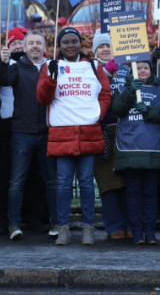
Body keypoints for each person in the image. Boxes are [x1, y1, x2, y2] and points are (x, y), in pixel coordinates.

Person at [36, 27, 112, 246]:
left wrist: (99, 113)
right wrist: (50, 78)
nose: (70, 45)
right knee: (63, 183)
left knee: (87, 182)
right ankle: (63, 227)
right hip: (62, 133)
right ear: (59, 46)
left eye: (74, 41)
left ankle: (88, 227)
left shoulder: (93, 66)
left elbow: (105, 93)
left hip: (88, 132)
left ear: (81, 44)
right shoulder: (50, 66)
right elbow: (42, 97)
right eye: (66, 42)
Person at [0, 30, 58, 241]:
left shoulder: (51, 66)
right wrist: (2, 62)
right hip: (22, 132)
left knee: (51, 181)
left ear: (45, 47)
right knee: (16, 181)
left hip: (47, 132)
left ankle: (57, 222)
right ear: (25, 48)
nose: (35, 46)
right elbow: (3, 79)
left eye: (39, 43)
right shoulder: (17, 67)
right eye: (31, 43)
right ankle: (13, 223)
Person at [111, 60, 160, 244]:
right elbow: (117, 108)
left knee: (150, 193)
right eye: (139, 68)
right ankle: (137, 232)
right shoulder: (123, 90)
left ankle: (150, 231)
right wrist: (131, 90)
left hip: (153, 150)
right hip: (130, 150)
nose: (143, 70)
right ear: (132, 72)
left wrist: (149, 111)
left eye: (146, 67)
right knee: (133, 193)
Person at [91, 32, 130, 240]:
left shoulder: (125, 69)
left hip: (125, 130)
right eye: (101, 46)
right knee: (108, 182)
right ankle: (114, 224)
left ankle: (130, 222)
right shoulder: (90, 69)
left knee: (127, 181)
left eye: (108, 45)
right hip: (103, 130)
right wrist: (105, 73)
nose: (105, 49)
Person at [0, 27, 24, 236]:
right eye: (14, 44)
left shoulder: (34, 64)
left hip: (29, 127)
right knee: (7, 177)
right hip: (7, 129)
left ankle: (30, 217)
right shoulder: (1, 63)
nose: (19, 47)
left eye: (22, 43)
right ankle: (4, 219)